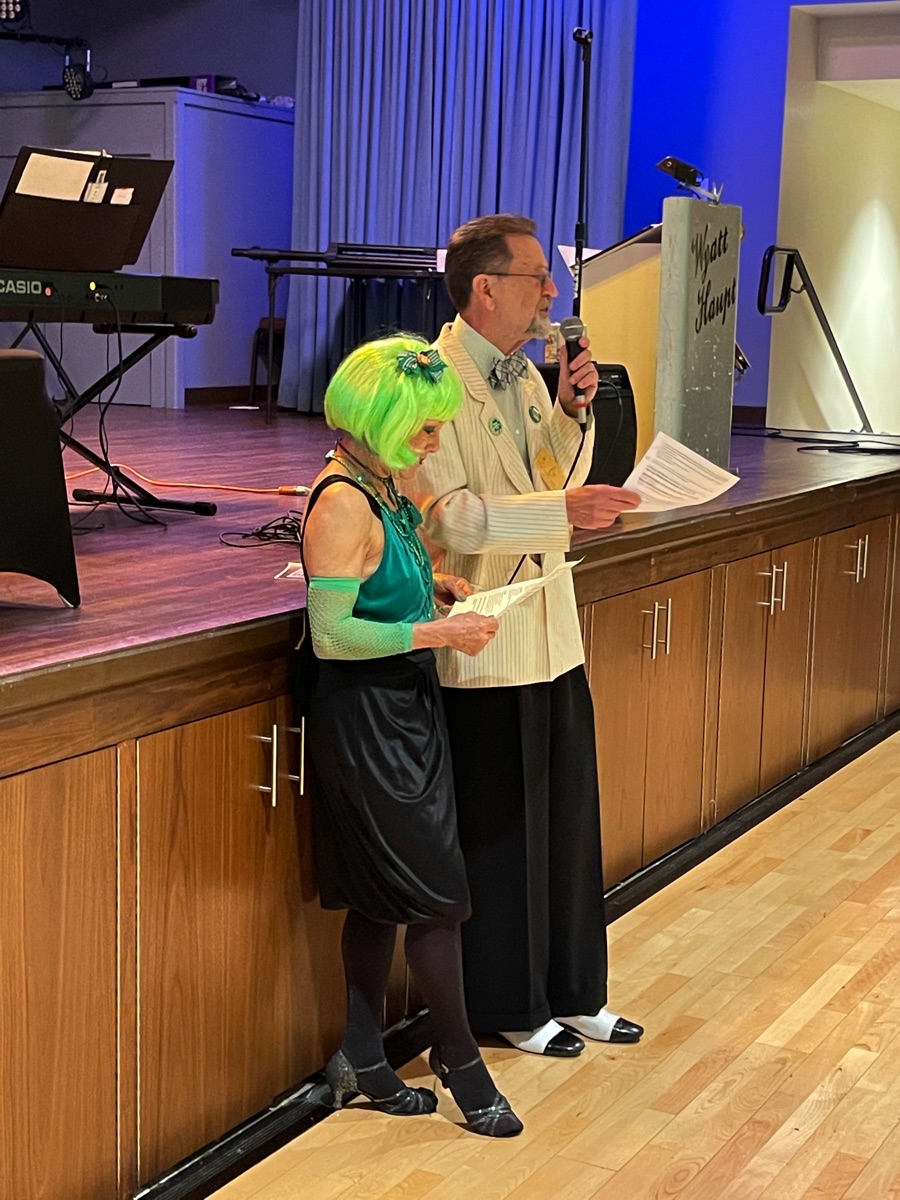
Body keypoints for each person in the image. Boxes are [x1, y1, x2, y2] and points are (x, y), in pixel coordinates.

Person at [402, 214, 644, 1058]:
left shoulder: (530, 376)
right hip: (486, 630)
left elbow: (552, 474)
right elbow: (449, 517)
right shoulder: (431, 379)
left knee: (568, 819)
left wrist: (573, 414)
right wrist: (561, 509)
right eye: (537, 276)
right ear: (485, 288)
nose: (551, 291)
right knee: (503, 833)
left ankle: (575, 990)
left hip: (551, 625)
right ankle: (509, 1003)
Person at [300, 334, 523, 1137]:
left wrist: (433, 588)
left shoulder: (380, 481)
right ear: (382, 420)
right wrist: (435, 634)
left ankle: (363, 1055)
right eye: (424, 428)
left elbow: (379, 582)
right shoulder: (340, 502)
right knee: (435, 899)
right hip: (365, 720)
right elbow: (332, 635)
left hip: (402, 707)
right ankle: (460, 1060)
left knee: (382, 899)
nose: (433, 442)